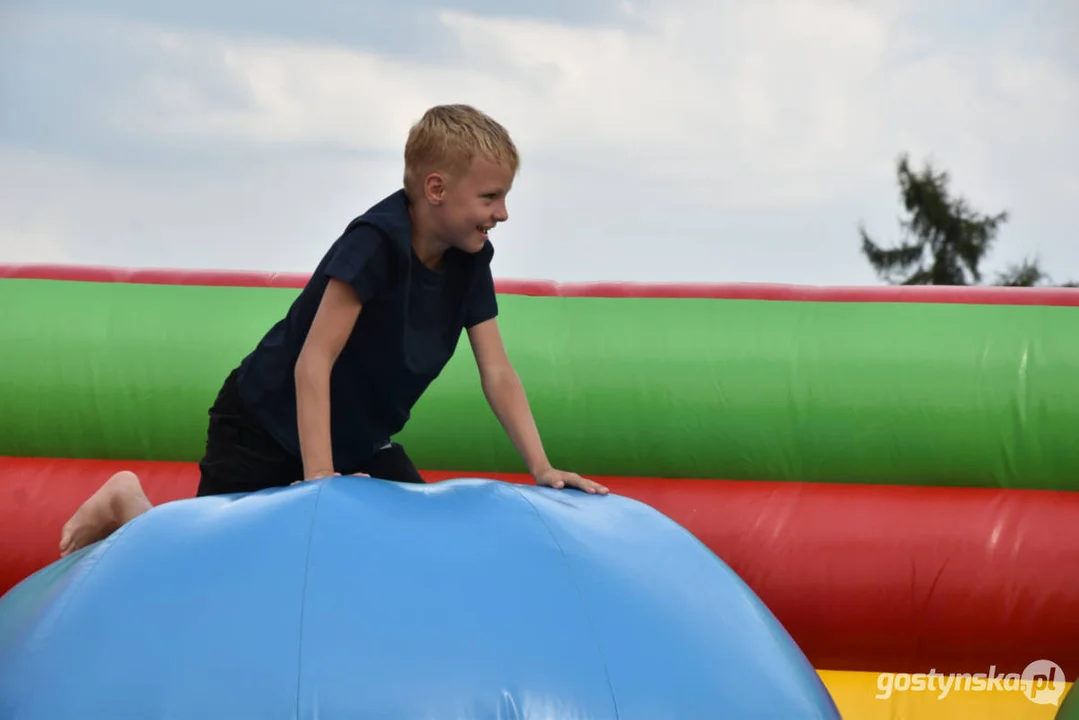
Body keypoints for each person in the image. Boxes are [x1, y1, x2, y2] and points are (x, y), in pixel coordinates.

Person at [59, 104, 608, 558]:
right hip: (264, 427)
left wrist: (540, 466)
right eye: (490, 198)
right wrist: (319, 482)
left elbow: (497, 371)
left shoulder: (469, 261)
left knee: (420, 551)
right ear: (436, 188)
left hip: (357, 444)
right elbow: (313, 361)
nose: (504, 213)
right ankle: (127, 506)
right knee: (209, 571)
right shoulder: (375, 243)